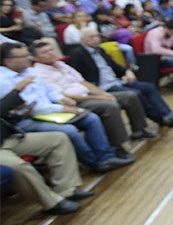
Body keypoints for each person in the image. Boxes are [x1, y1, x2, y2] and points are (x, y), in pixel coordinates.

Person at [0, 43, 133, 173]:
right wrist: (62, 108)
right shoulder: (3, 81)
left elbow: (48, 90)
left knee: (91, 119)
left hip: (49, 111)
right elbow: (31, 107)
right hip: (27, 119)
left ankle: (105, 156)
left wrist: (61, 98)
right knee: (69, 131)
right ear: (8, 61)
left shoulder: (29, 71)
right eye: (23, 56)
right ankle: (95, 163)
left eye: (27, 54)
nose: (28, 58)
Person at [31, 39, 157, 145]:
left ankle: (139, 130)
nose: (50, 53)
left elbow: (84, 82)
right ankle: (118, 145)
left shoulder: (61, 64)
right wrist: (100, 98)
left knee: (130, 95)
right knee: (110, 106)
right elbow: (63, 96)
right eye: (45, 52)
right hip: (75, 102)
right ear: (35, 58)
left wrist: (103, 94)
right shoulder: (39, 73)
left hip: (88, 94)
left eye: (51, 50)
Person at [67, 28, 173, 128]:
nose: (96, 39)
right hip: (102, 87)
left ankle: (168, 114)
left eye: (97, 36)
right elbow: (77, 78)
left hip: (116, 81)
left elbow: (114, 66)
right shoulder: (77, 54)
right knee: (136, 94)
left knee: (149, 87)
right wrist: (94, 90)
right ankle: (161, 119)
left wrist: (127, 71)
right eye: (91, 37)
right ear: (82, 40)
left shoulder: (100, 50)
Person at [2, 85, 93, 215]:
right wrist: (16, 92)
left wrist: (17, 114)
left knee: (58, 139)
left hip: (7, 137)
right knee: (18, 166)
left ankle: (67, 190)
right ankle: (52, 203)